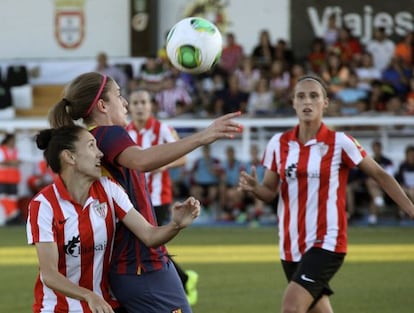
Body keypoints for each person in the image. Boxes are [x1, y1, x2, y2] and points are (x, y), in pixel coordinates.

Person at [48, 72, 242, 313]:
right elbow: (141, 160)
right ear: (102, 105)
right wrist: (204, 136)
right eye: (119, 95)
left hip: (132, 263)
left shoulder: (93, 141)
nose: (126, 103)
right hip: (141, 265)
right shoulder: (108, 134)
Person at [238, 74, 414, 313]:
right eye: (301, 96)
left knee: (291, 308)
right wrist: (254, 188)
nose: (307, 101)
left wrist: (411, 210)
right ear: (293, 103)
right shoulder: (278, 144)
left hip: (327, 241)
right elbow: (269, 192)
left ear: (325, 103)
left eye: (314, 96)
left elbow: (380, 175)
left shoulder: (340, 142)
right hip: (290, 245)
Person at [26, 125, 200, 313]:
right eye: (91, 146)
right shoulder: (43, 205)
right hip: (58, 308)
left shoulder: (109, 189)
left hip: (105, 305)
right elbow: (49, 274)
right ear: (70, 157)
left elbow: (149, 235)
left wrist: (175, 225)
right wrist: (88, 295)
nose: (100, 153)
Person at [125, 89, 199, 305]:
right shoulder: (125, 131)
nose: (139, 106)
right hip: (132, 198)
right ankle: (178, 281)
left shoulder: (163, 129)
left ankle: (182, 281)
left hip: (157, 197)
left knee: (150, 244)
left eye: (143, 102)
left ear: (151, 106)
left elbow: (183, 158)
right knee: (147, 244)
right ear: (130, 106)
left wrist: (162, 164)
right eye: (136, 102)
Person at [0, 133, 22, 225]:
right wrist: (13, 163)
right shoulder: (2, 150)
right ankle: (12, 215)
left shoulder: (15, 151)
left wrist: (10, 163)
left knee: (13, 199)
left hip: (13, 179)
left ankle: (13, 216)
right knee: (4, 198)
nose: (13, 142)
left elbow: (18, 161)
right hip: (3, 179)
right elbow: (3, 162)